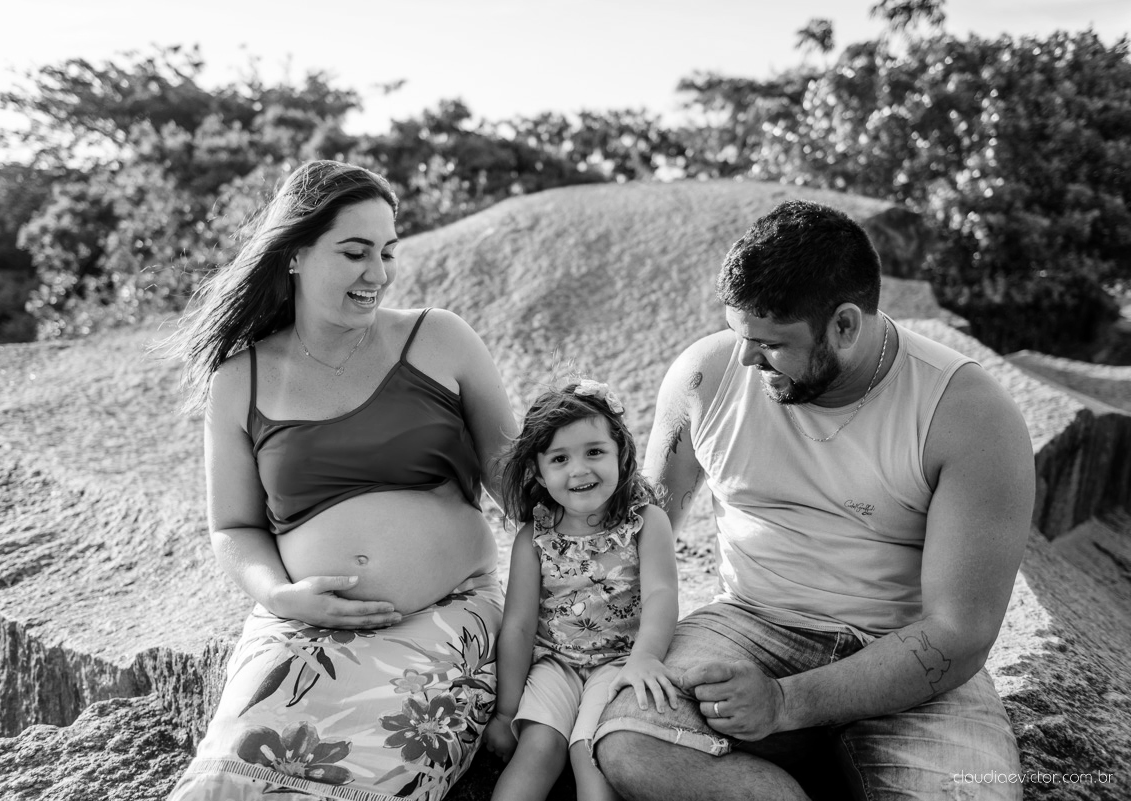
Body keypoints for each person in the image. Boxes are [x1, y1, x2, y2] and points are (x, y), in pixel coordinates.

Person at [592, 200, 1036, 800]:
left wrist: (783, 703)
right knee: (632, 744)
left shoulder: (967, 414)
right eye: (737, 333)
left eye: (770, 344)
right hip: (748, 622)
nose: (747, 358)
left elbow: (960, 633)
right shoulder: (706, 379)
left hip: (908, 654)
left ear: (845, 326)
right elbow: (642, 534)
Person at [163, 160, 516, 800]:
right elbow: (233, 526)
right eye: (355, 252)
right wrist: (279, 597)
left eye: (386, 252)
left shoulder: (439, 340)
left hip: (446, 619)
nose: (376, 274)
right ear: (294, 253)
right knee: (229, 777)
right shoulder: (238, 379)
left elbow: (515, 483)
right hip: (302, 627)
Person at [482, 380, 679, 801]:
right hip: (554, 662)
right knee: (538, 747)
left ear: (621, 456)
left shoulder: (645, 522)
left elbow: (661, 593)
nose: (579, 469)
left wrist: (644, 658)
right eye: (560, 458)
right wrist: (505, 710)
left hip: (621, 661)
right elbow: (518, 625)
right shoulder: (534, 536)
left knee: (587, 754)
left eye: (594, 451)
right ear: (538, 471)